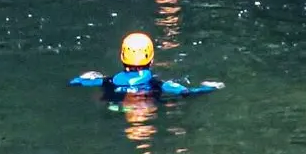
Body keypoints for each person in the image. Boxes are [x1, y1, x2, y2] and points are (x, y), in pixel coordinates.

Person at [68, 32, 224, 98]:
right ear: (151, 59)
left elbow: (75, 82)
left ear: (122, 57)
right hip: (147, 114)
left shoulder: (107, 81)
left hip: (115, 109)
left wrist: (85, 77)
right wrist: (211, 87)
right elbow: (188, 93)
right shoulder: (157, 84)